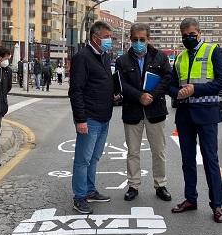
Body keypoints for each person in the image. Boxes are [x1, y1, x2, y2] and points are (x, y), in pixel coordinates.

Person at [169, 18, 222, 223]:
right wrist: (177, 93)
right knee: (187, 161)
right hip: (185, 115)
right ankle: (190, 199)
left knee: (210, 160)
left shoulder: (213, 51)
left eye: (191, 35)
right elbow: (171, 83)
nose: (188, 38)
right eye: (184, 36)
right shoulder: (180, 57)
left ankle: (217, 205)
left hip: (206, 114)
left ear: (199, 33)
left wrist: (195, 89)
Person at [116, 23, 173, 202]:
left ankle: (160, 185)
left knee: (159, 151)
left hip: (155, 110)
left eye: (142, 39)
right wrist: (139, 96)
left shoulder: (160, 57)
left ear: (149, 39)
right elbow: (121, 84)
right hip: (133, 111)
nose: (138, 43)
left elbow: (168, 78)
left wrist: (152, 96)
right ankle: (133, 185)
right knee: (133, 152)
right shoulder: (122, 60)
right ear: (130, 40)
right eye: (135, 40)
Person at [69, 21, 116, 214]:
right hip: (89, 117)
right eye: (106, 37)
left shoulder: (104, 57)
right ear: (95, 37)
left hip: (104, 117)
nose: (109, 40)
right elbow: (76, 91)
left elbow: (102, 82)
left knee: (94, 158)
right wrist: (80, 120)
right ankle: (79, 197)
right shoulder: (82, 57)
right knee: (83, 160)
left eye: (109, 37)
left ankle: (90, 190)